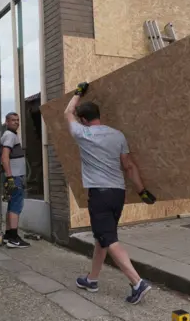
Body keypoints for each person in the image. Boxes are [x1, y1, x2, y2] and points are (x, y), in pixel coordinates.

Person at [64, 81, 157, 304]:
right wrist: (142, 191)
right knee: (102, 238)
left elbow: (67, 112)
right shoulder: (118, 135)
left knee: (108, 238)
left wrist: (78, 93)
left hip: (100, 195)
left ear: (84, 120)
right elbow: (129, 166)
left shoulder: (82, 133)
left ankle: (137, 282)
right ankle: (92, 279)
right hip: (118, 194)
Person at [0, 112, 30, 248]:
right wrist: (10, 177)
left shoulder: (10, 135)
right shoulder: (9, 136)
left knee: (12, 205)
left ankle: (8, 235)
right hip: (15, 177)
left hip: (15, 176)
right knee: (16, 206)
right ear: (7, 122)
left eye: (18, 120)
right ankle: (13, 238)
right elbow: (5, 157)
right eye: (13, 120)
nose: (16, 122)